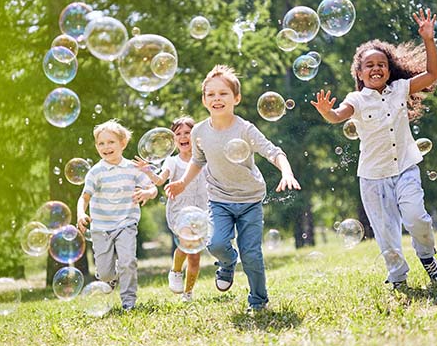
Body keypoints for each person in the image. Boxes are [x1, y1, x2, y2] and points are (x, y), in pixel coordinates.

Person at [311, 8, 437, 289]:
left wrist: (428, 39)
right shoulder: (357, 99)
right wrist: (327, 112)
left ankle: (428, 258)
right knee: (386, 235)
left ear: (389, 68)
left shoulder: (400, 88)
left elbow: (432, 74)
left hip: (406, 167)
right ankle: (398, 277)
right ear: (359, 73)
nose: (376, 68)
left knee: (417, 217)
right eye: (369, 65)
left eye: (381, 64)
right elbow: (339, 115)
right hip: (373, 177)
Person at [165, 65, 301, 312]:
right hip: (219, 199)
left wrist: (287, 171)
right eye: (211, 94)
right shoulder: (199, 131)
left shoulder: (245, 129)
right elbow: (198, 160)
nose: (217, 99)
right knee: (215, 244)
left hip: (250, 200)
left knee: (252, 255)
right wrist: (182, 182)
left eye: (223, 93)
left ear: (236, 98)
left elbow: (273, 151)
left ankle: (258, 301)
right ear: (204, 100)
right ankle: (227, 262)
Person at [77, 119, 158, 310]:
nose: (106, 147)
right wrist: (81, 213)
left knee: (127, 261)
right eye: (101, 143)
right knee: (105, 273)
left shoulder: (132, 168)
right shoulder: (95, 172)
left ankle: (128, 302)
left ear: (122, 143)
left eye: (111, 142)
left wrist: (147, 193)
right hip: (101, 228)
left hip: (126, 224)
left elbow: (152, 187)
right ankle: (110, 281)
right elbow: (84, 197)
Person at [134, 116, 208, 302]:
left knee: (195, 257)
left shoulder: (205, 159)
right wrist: (148, 171)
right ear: (173, 140)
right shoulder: (172, 162)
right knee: (186, 243)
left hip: (202, 210)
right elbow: (159, 180)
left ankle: (188, 293)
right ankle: (175, 271)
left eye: (187, 133)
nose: (183, 137)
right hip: (179, 210)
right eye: (178, 134)